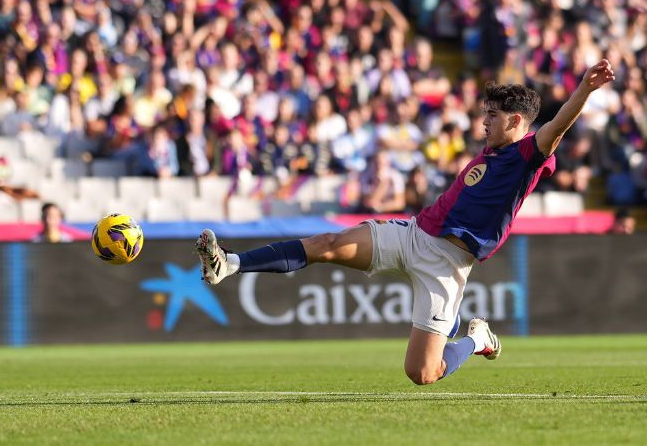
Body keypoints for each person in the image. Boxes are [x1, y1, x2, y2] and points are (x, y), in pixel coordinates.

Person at [196, 61, 616, 385]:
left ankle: (477, 339)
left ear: (515, 121)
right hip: (414, 234)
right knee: (325, 243)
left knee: (422, 373)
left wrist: (585, 88)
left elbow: (558, 127)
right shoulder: (489, 152)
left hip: (447, 265)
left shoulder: (527, 155)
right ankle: (228, 263)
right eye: (485, 113)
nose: (484, 121)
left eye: (492, 115)